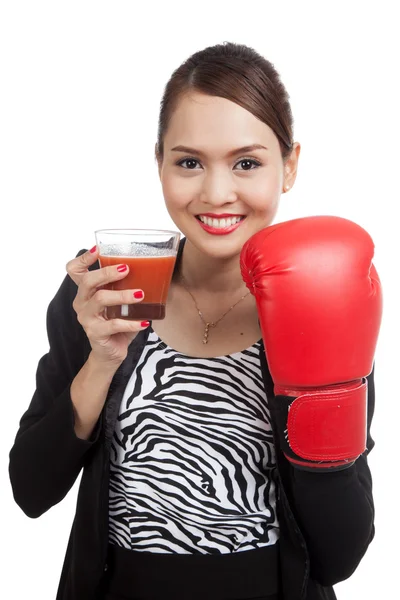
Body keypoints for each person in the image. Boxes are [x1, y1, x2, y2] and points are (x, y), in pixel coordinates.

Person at [8, 42, 381, 600]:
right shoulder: (106, 289)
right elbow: (31, 491)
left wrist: (323, 392)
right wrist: (102, 359)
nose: (216, 193)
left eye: (247, 163)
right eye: (189, 162)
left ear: (290, 166)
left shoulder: (320, 301)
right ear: (158, 161)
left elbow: (340, 554)